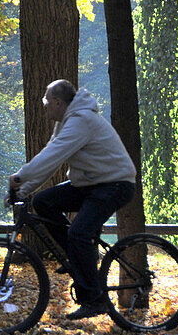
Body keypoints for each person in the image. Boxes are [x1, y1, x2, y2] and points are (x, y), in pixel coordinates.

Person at [9, 79, 136, 320]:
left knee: (78, 233)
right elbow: (49, 157)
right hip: (92, 183)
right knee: (44, 202)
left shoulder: (81, 121)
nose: (44, 107)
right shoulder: (66, 121)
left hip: (115, 183)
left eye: (46, 102)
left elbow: (53, 156)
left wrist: (19, 177)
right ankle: (77, 258)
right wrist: (23, 189)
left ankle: (94, 300)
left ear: (58, 102)